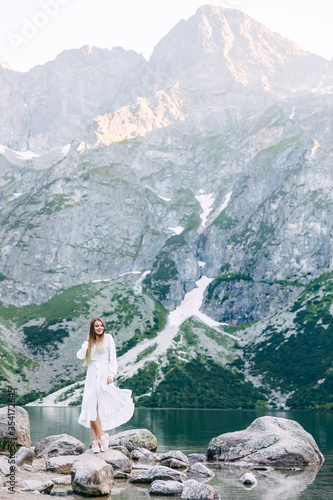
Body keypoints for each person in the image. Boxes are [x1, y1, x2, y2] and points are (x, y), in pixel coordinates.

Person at [77, 317, 134, 453]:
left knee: (95, 406)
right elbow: (80, 355)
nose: (99, 328)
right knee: (90, 406)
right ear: (92, 328)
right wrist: (86, 341)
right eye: (96, 326)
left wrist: (111, 374)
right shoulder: (90, 342)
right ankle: (95, 440)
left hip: (103, 374)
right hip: (91, 375)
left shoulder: (108, 338)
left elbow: (112, 358)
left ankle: (102, 435)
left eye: (101, 325)